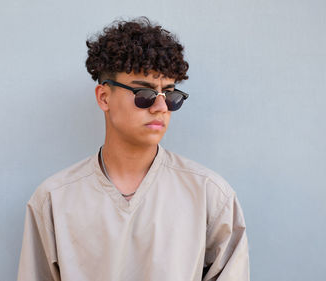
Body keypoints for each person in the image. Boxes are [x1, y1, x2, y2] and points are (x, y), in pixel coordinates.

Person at [17, 17, 249, 281]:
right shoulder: (53, 200)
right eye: (145, 94)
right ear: (104, 97)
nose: (160, 108)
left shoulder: (210, 197)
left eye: (170, 96)